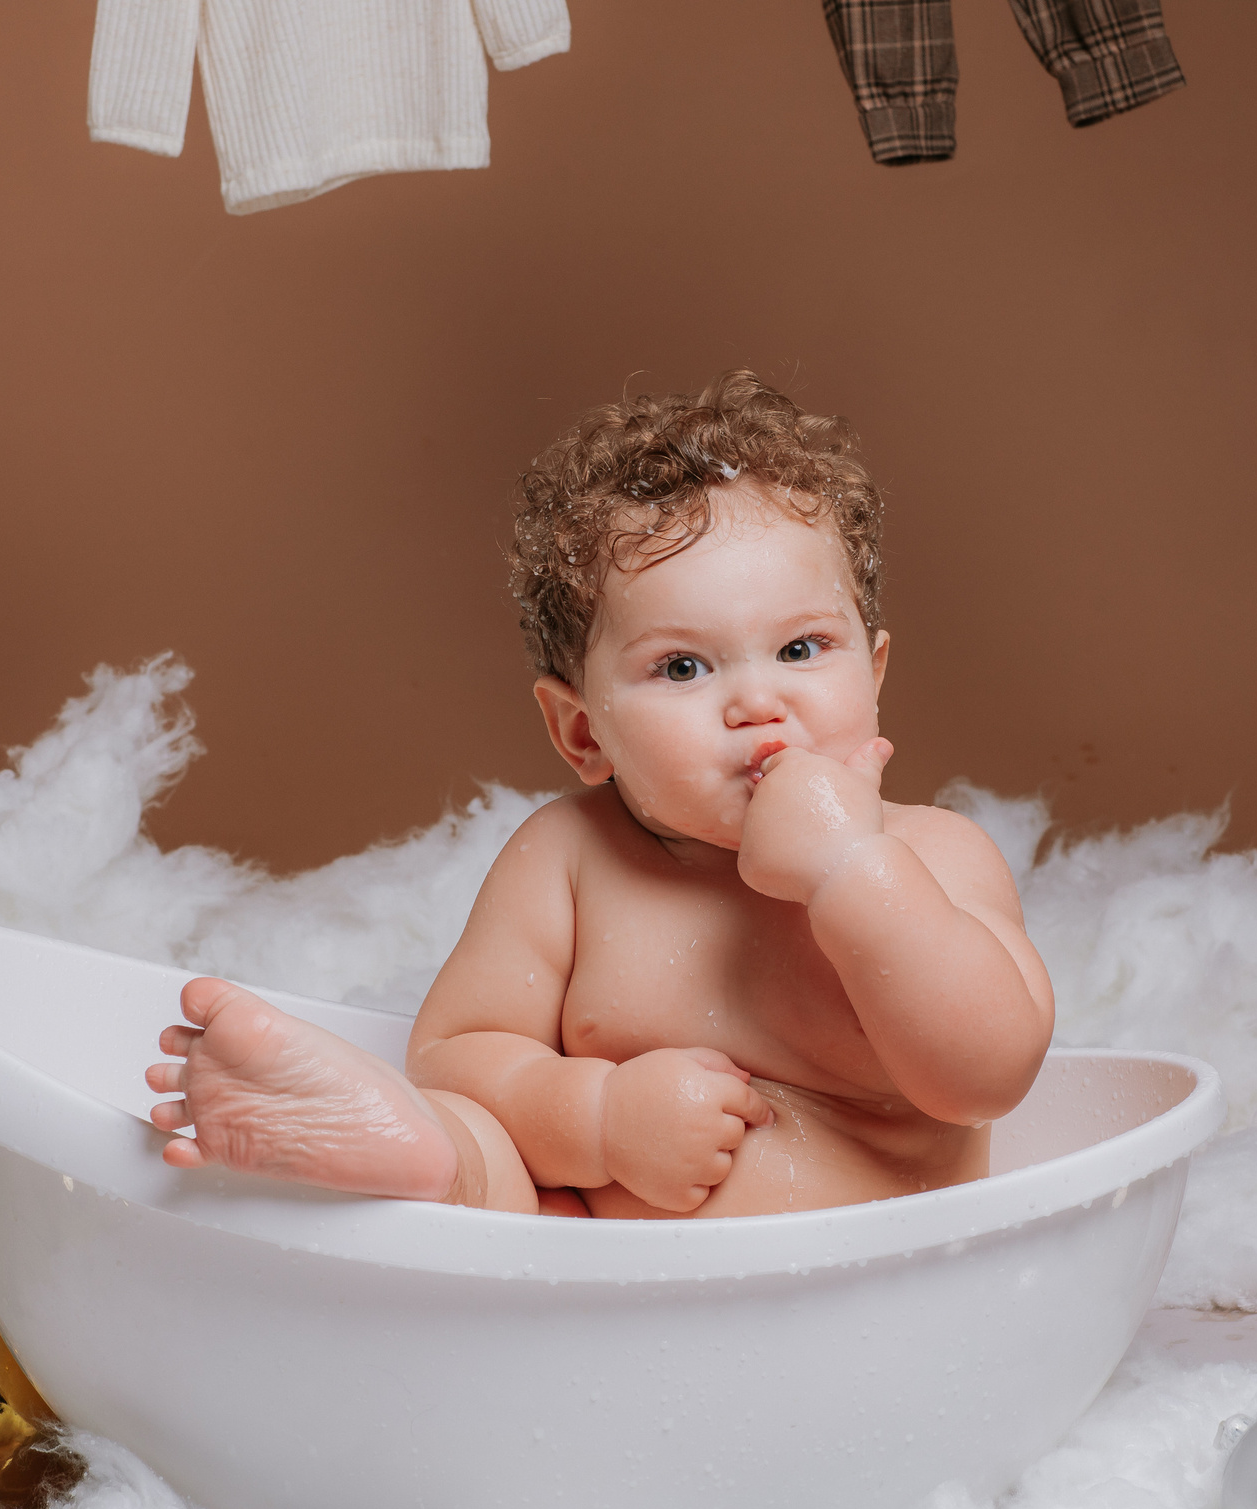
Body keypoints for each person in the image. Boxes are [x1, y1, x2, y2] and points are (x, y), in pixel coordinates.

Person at [143, 372, 1054, 1218]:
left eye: (802, 648)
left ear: (876, 668)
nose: (757, 702)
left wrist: (857, 869)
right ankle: (403, 1150)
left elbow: (986, 1077)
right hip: (586, 1279)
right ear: (582, 732)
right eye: (684, 666)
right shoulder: (567, 860)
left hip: (868, 1275)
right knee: (480, 1141)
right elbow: (461, 1051)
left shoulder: (932, 855)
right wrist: (600, 1116)